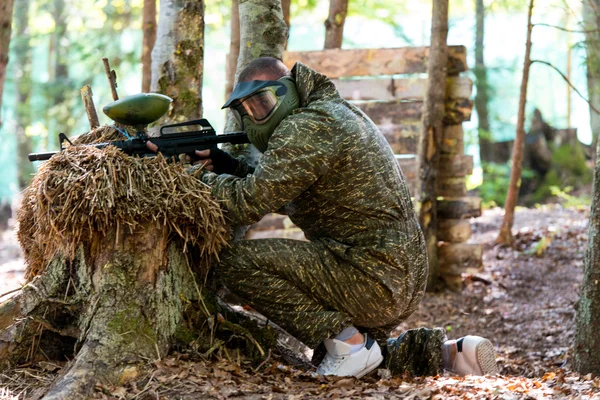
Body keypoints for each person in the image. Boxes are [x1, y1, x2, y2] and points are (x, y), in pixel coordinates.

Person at [153, 56, 499, 378]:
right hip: (393, 274)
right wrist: (231, 167)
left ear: (288, 91)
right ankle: (450, 354)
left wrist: (186, 178)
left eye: (264, 103)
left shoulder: (307, 126)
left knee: (234, 262)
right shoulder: (330, 113)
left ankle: (348, 344)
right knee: (350, 353)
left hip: (370, 274)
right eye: (248, 109)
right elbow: (284, 187)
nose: (258, 115)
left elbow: (248, 202)